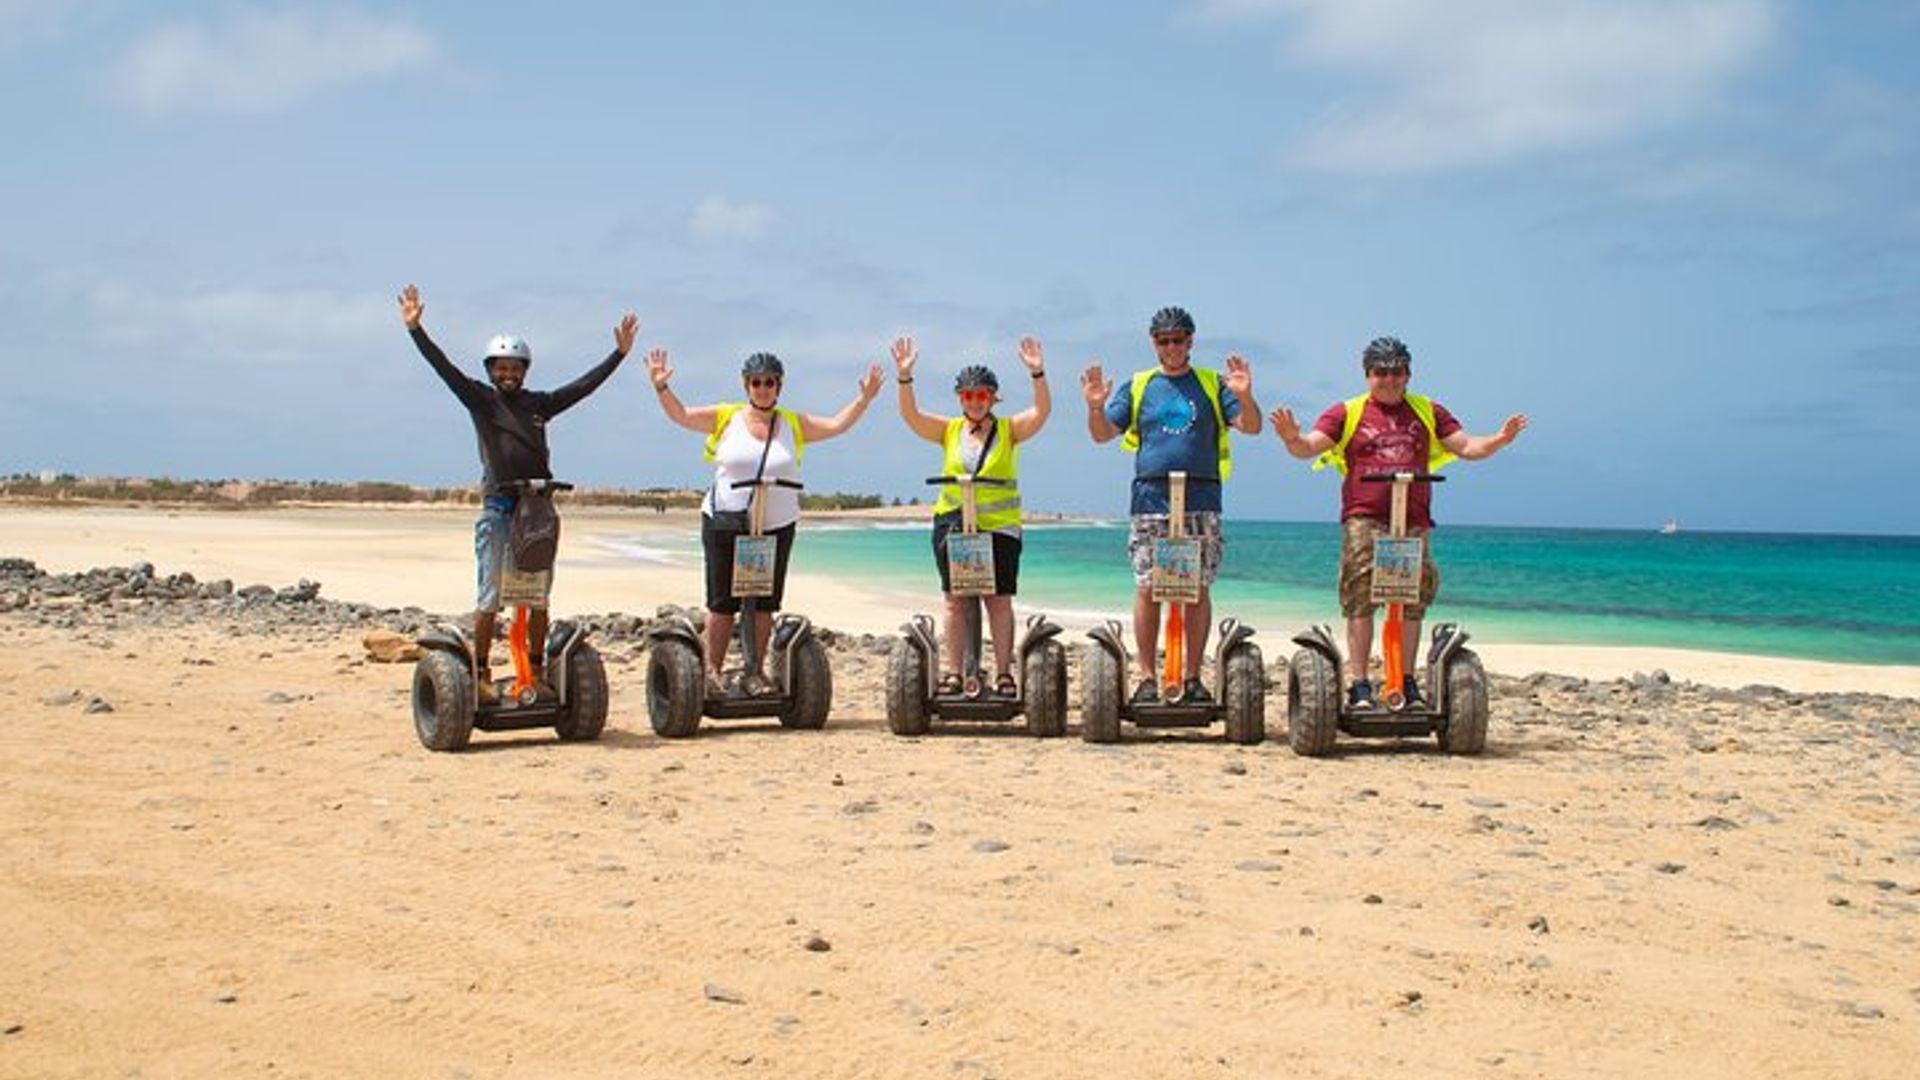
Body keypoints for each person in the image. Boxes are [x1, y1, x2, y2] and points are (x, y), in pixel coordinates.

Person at [397, 284, 637, 701]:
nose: (508, 375)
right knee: (490, 596)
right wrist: (417, 330)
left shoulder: (539, 405)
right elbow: (445, 369)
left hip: (538, 512)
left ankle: (537, 672)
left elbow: (581, 388)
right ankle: (483, 674)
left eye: (515, 369)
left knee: (538, 597)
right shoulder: (481, 401)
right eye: (501, 369)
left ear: (525, 370)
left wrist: (617, 356)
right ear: (491, 370)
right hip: (498, 509)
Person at [1268, 335, 1529, 709]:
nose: (1389, 379)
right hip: (1365, 516)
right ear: (1367, 375)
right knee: (1360, 595)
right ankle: (1359, 684)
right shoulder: (1347, 412)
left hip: (1413, 517)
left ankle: (1405, 681)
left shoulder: (1428, 411)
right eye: (1380, 372)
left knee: (1411, 596)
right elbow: (1308, 447)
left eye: (1397, 372)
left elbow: (1467, 447)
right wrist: (1290, 437)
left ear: (1408, 374)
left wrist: (1500, 440)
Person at [647, 347, 882, 695]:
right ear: (747, 385)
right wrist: (661, 387)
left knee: (763, 601)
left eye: (769, 382)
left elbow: (835, 425)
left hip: (776, 523)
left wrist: (863, 399)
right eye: (756, 382)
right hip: (726, 519)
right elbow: (681, 415)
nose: (763, 389)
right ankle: (711, 672)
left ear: (779, 385)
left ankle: (754, 673)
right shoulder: (727, 417)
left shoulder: (792, 423)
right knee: (722, 601)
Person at [1080, 306, 1262, 704]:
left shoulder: (1213, 384)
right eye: (1164, 341)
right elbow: (1101, 435)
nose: (1172, 347)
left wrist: (1246, 397)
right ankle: (1147, 677)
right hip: (1150, 499)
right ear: (1154, 344)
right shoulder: (1140, 385)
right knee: (1148, 587)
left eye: (1178, 339)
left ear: (1191, 341)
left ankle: (1193, 678)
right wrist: (1095, 405)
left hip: (1201, 497)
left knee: (1196, 588)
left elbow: (1251, 426)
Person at [892, 334, 1052, 696]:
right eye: (968, 395)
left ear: (993, 397)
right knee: (955, 598)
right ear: (960, 399)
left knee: (997, 599)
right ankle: (953, 672)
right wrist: (904, 378)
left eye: (982, 395)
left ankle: (1003, 673)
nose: (976, 401)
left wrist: (1037, 373)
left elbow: (1041, 412)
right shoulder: (949, 431)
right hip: (954, 526)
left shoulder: (1009, 431)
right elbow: (911, 416)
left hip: (999, 528)